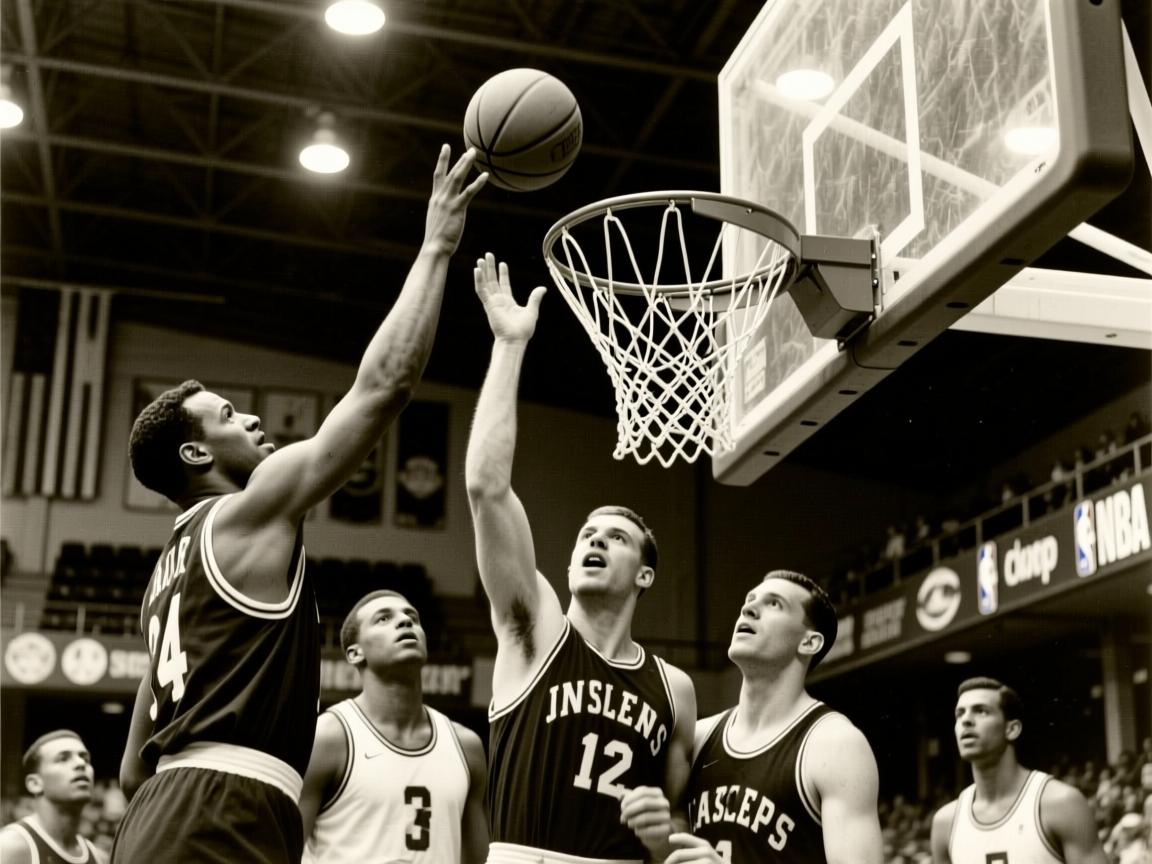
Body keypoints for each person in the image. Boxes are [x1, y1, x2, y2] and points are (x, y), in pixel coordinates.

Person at [111, 144, 487, 863]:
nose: (254, 422)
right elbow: (383, 391)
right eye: (228, 415)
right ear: (196, 455)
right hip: (226, 807)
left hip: (165, 812)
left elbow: (133, 769)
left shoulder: (165, 578)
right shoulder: (251, 510)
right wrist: (437, 244)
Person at [464, 253, 697, 863]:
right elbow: (487, 488)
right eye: (587, 533)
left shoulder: (675, 689)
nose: (593, 539)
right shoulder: (535, 628)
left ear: (645, 575)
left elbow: (676, 819)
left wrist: (664, 833)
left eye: (614, 537)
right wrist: (509, 345)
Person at [661, 570, 884, 864]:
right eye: (750, 600)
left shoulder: (836, 745)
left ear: (809, 643)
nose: (748, 608)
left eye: (774, 604)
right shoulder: (699, 736)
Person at [299, 589, 488, 863]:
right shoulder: (329, 738)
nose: (405, 621)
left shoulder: (466, 746)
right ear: (354, 653)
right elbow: (282, 852)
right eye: (383, 619)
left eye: (412, 617)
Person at [930, 677, 1107, 864]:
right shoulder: (945, 822)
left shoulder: (1060, 804)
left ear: (1012, 729)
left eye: (981, 711)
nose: (966, 720)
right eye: (960, 714)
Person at [0, 730, 106, 864]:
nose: (80, 763)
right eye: (63, 758)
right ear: (35, 783)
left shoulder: (100, 858)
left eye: (85, 758)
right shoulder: (8, 847)